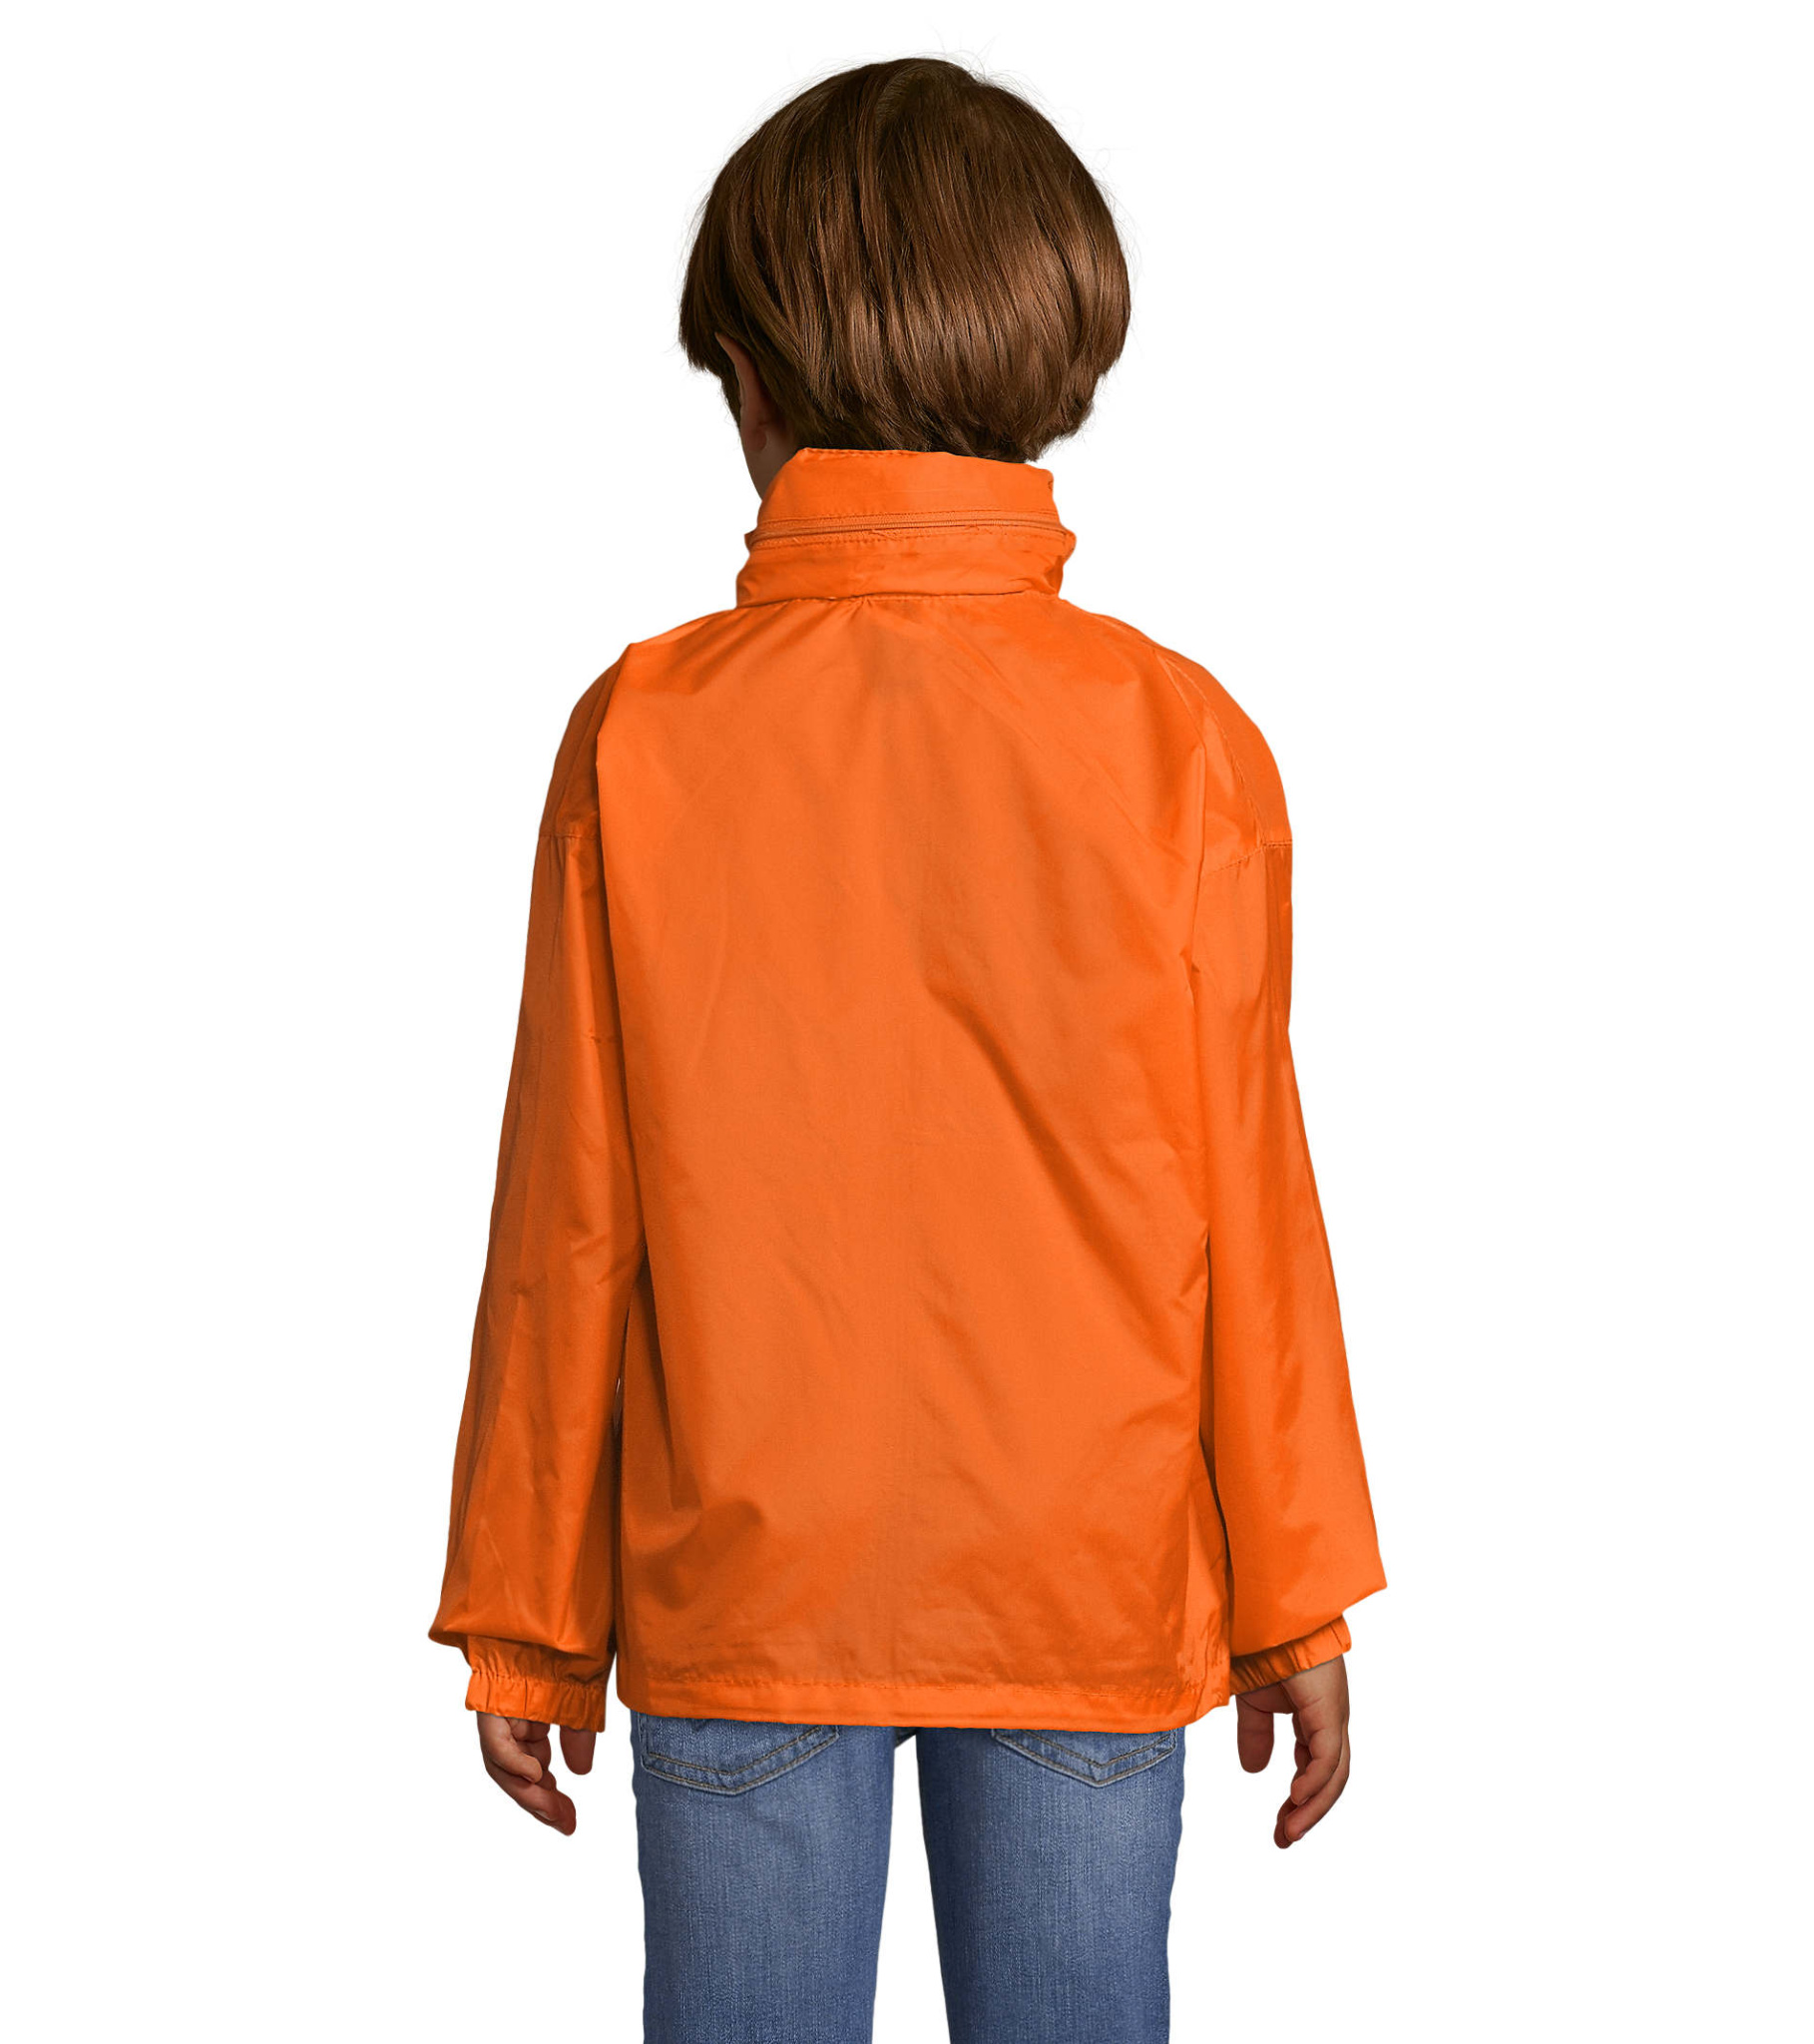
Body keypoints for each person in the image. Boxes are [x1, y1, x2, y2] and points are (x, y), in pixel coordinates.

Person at [431, 55, 1384, 2044]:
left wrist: (529, 1611)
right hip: (1082, 1576)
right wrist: (1293, 1586)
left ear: (750, 379)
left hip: (747, 1580)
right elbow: (1252, 1191)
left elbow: (566, 1215)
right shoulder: (1179, 739)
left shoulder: (643, 729)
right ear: (1056, 359)